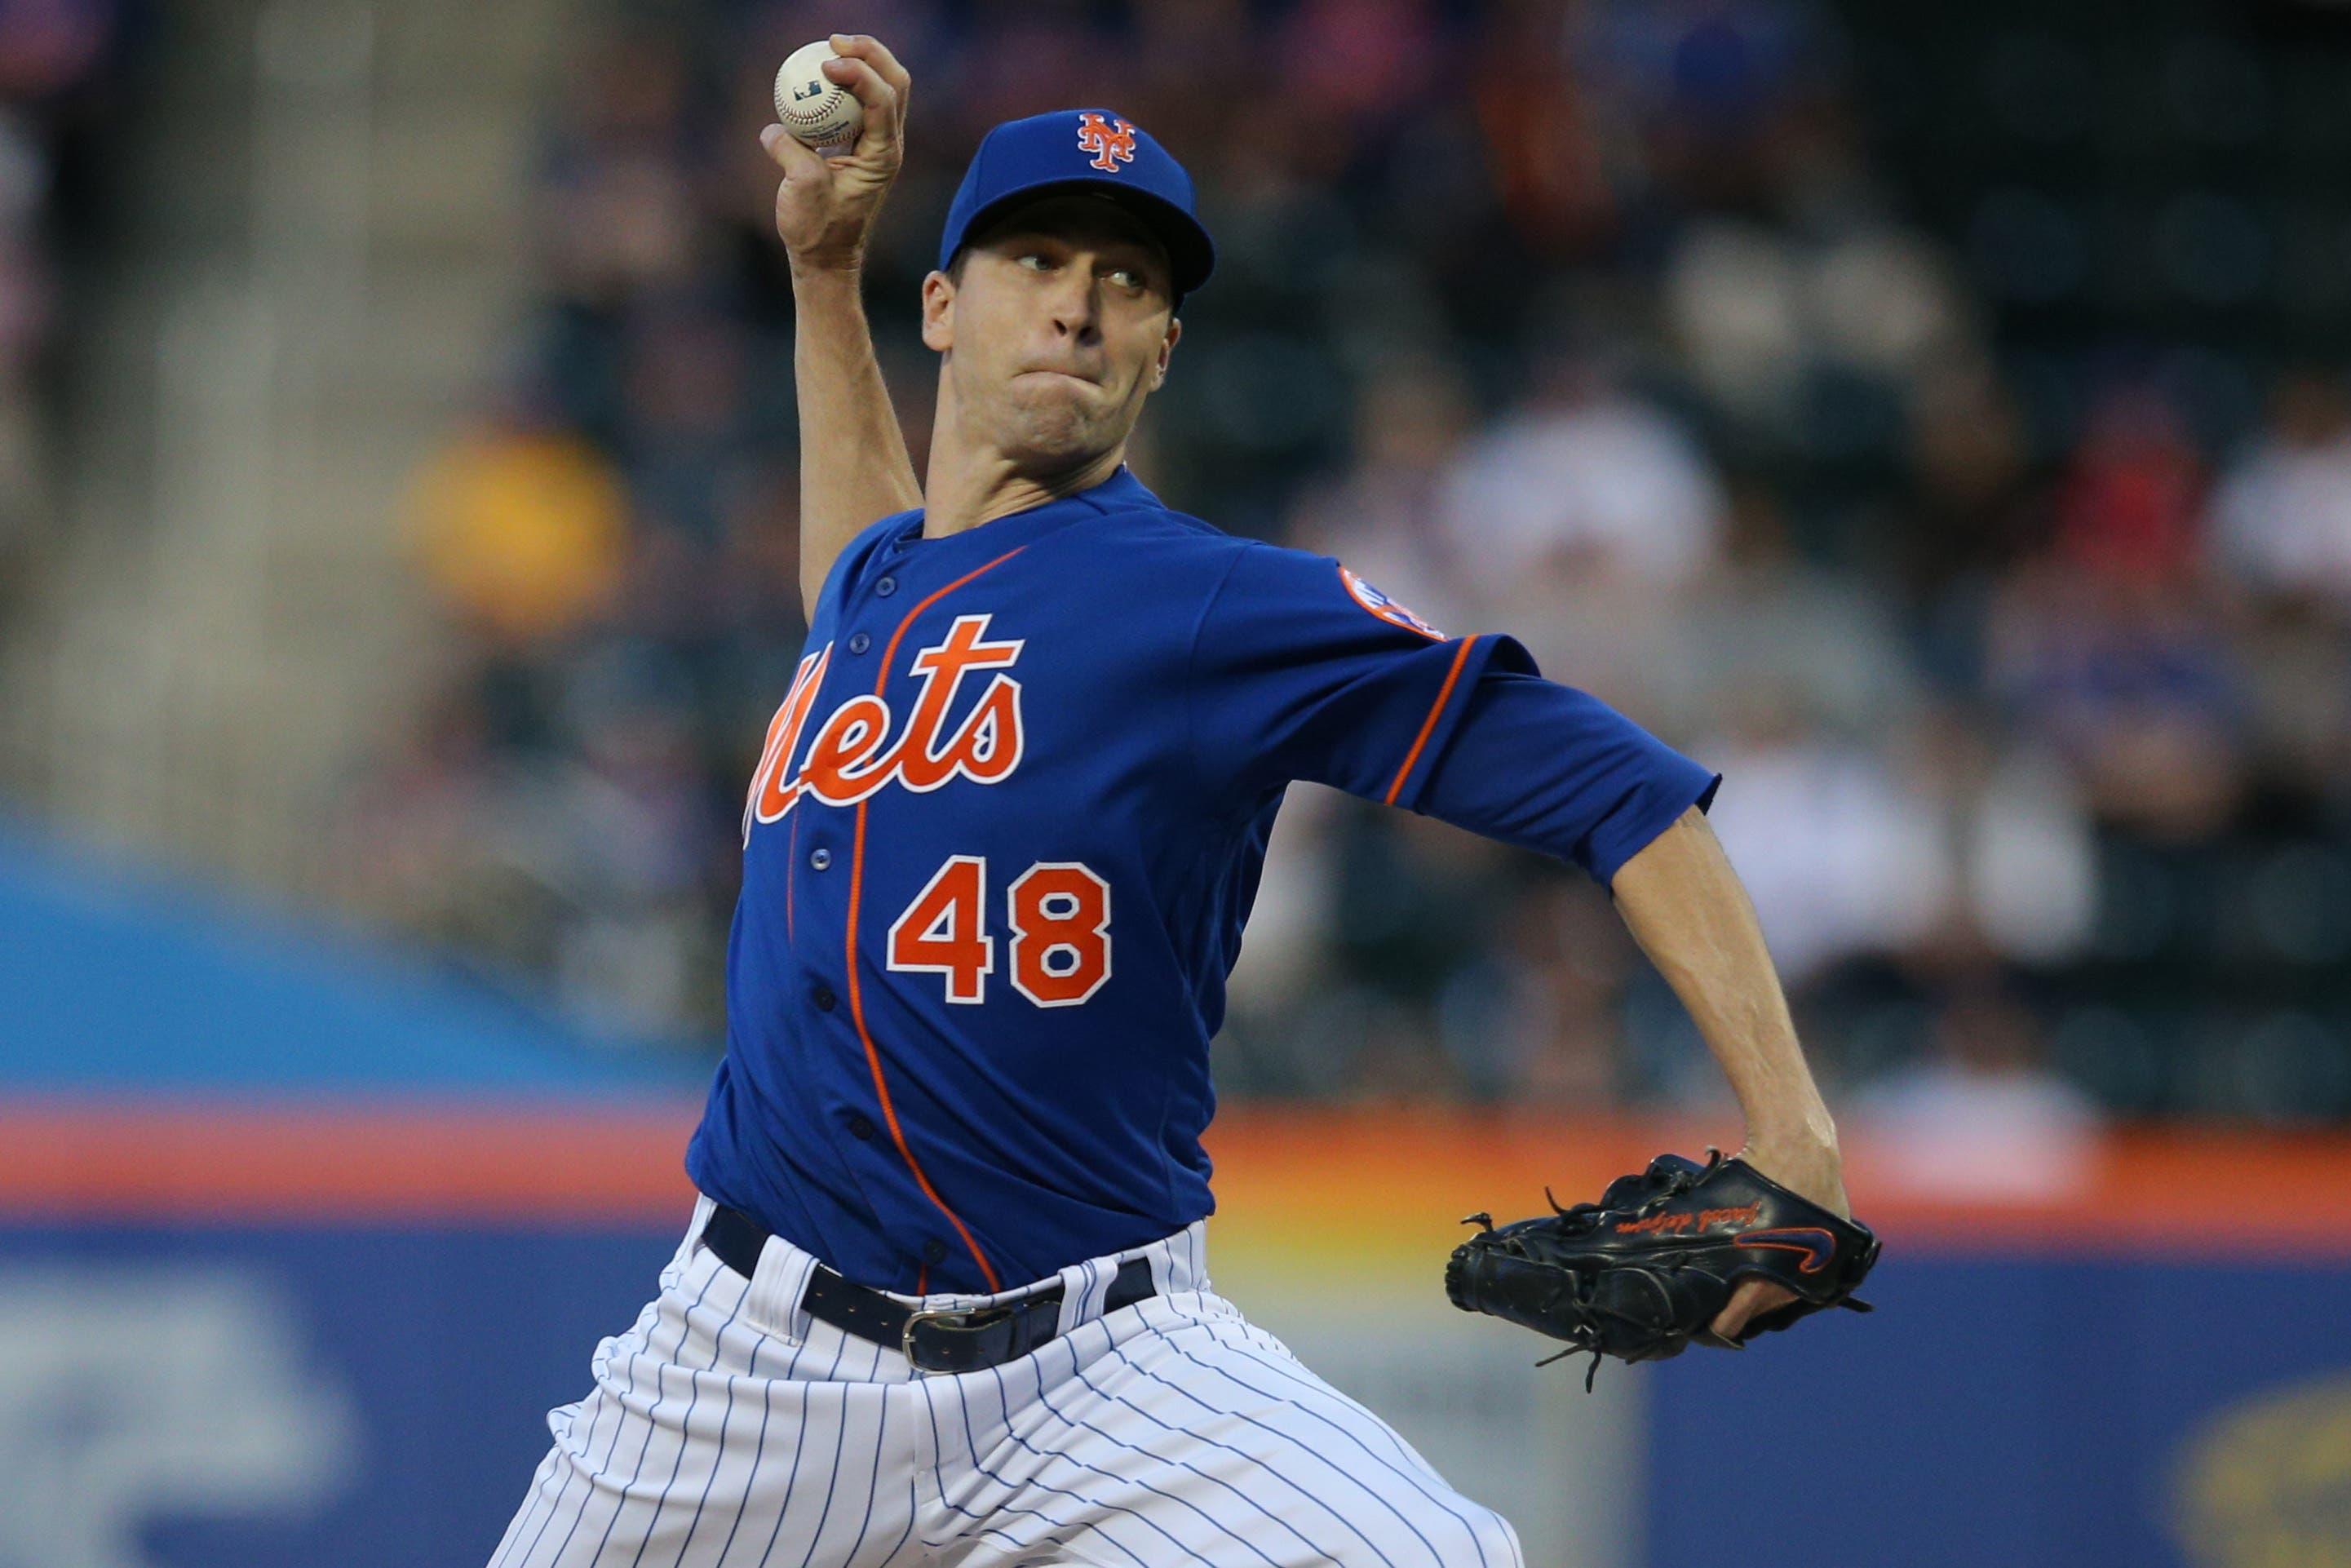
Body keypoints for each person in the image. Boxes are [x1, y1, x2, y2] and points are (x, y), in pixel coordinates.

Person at [489, 35, 1851, 1568]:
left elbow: (1614, 786)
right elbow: (865, 565)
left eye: (1128, 279)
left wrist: (1791, 1125)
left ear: (1163, 350)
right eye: (1034, 255)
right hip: (742, 1367)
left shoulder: (1209, 607)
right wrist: (822, 273)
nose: (1078, 297)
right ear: (939, 306)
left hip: (1101, 1371)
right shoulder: (881, 590)